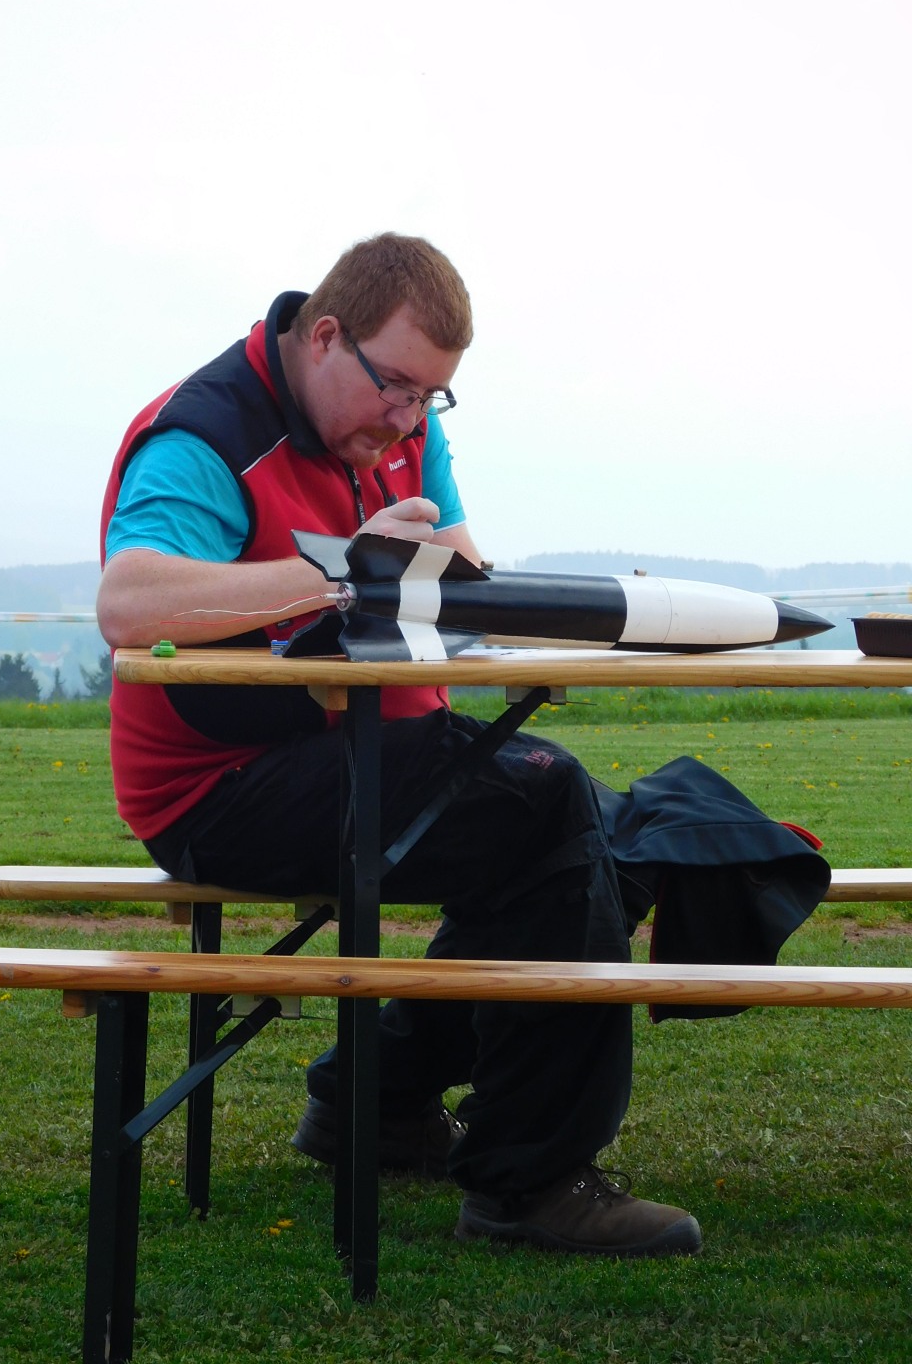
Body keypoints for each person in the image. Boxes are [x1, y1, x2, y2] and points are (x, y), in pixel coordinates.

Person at [96, 232, 701, 1258]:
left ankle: (373, 1103)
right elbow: (130, 600)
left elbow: (459, 567)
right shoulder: (204, 434)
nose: (409, 421)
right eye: (396, 388)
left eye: (432, 398)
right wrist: (340, 572)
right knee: (550, 804)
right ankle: (527, 1185)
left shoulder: (401, 429)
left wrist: (567, 612)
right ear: (326, 337)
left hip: (379, 751)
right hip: (218, 790)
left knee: (606, 829)